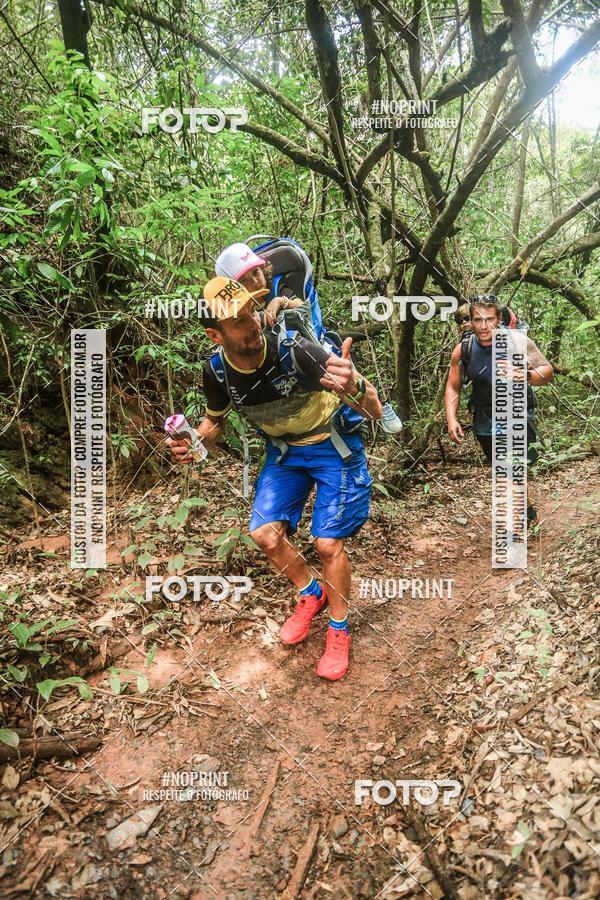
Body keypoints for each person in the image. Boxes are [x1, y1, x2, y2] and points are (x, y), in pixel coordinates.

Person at [167, 276, 383, 680]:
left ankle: (339, 629)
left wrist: (357, 384)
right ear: (216, 334)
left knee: (328, 542)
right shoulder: (217, 371)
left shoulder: (297, 350)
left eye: (251, 310)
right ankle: (310, 593)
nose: (251, 323)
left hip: (332, 445)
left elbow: (371, 410)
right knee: (265, 535)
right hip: (284, 454)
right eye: (237, 320)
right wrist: (194, 442)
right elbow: (213, 422)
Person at [445, 295, 554, 526]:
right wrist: (451, 418)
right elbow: (453, 385)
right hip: (484, 418)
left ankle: (519, 518)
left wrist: (524, 375)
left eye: (489, 319)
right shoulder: (463, 349)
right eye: (477, 320)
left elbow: (547, 372)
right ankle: (527, 511)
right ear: (471, 321)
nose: (484, 326)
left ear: (499, 319)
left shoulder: (517, 342)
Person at [215, 242, 304, 326]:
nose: (255, 281)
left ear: (262, 269)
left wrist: (281, 301)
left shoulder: (276, 288)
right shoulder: (238, 310)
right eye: (243, 281)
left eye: (255, 272)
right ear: (234, 288)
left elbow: (304, 307)